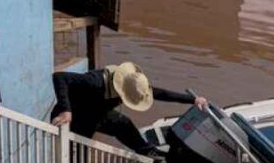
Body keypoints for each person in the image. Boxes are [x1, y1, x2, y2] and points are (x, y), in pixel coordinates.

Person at [50, 62, 208, 155]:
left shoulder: (130, 84)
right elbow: (60, 77)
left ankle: (148, 152)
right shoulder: (95, 81)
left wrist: (192, 99)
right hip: (76, 117)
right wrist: (66, 109)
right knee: (78, 161)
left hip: (96, 113)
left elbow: (159, 93)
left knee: (123, 124)